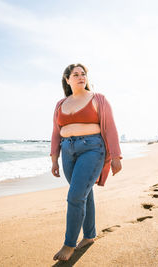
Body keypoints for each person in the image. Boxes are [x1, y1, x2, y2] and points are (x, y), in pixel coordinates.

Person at [51, 63, 122, 261]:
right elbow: (56, 132)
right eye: (76, 74)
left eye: (83, 74)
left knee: (75, 196)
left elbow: (110, 129)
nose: (81, 77)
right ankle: (89, 235)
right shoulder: (60, 104)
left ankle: (69, 244)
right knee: (84, 193)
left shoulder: (98, 99)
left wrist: (116, 156)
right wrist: (54, 159)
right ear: (67, 80)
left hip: (93, 149)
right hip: (67, 151)